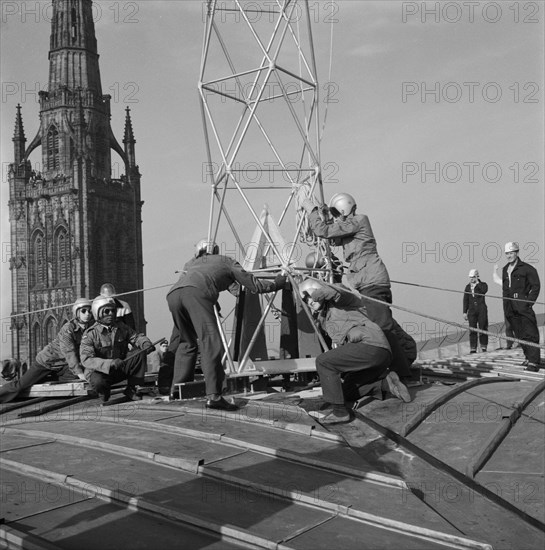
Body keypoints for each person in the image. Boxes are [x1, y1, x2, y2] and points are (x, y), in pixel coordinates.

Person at [166, 239, 287, 411]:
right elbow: (254, 285)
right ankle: (214, 396)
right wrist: (277, 283)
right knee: (211, 342)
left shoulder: (191, 263)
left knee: (186, 342)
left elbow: (229, 287)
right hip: (196, 295)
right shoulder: (227, 261)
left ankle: (175, 391)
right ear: (215, 250)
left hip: (173, 295)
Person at [301, 192, 412, 378]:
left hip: (372, 281)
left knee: (383, 328)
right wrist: (324, 216)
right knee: (382, 325)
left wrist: (311, 210)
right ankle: (398, 367)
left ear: (344, 208)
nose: (336, 219)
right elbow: (333, 237)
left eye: (337, 214)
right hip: (367, 281)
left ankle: (402, 374)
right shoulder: (350, 227)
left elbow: (325, 232)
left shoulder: (359, 220)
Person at [298, 279, 412, 425]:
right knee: (345, 391)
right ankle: (387, 384)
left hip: (371, 345)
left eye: (310, 296)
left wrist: (316, 294)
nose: (310, 301)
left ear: (318, 290)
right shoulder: (324, 318)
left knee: (323, 362)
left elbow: (337, 292)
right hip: (372, 356)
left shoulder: (343, 300)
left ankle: (340, 413)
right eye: (306, 300)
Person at [0, 298, 93, 403]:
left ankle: (43, 379)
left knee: (74, 376)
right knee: (21, 386)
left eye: (89, 311)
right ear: (77, 312)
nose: (87, 314)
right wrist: (81, 374)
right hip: (46, 361)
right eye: (83, 311)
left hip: (62, 365)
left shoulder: (89, 328)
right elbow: (69, 352)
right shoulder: (68, 329)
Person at [80, 296, 154, 403]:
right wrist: (110, 363)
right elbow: (86, 359)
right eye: (106, 311)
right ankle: (104, 394)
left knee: (139, 353)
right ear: (97, 312)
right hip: (100, 372)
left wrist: (145, 343)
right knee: (98, 382)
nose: (110, 313)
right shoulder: (90, 334)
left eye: (113, 310)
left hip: (120, 367)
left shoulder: (121, 327)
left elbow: (135, 337)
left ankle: (133, 389)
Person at [500, 242, 541, 371]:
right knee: (520, 334)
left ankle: (534, 362)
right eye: (507, 253)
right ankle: (528, 358)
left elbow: (536, 286)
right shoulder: (505, 269)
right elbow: (505, 290)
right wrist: (506, 308)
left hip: (523, 307)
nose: (509, 256)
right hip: (510, 308)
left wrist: (528, 303)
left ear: (517, 253)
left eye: (511, 253)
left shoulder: (527, 268)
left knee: (530, 333)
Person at [463, 269, 489, 353]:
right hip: (472, 310)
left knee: (483, 327)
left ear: (477, 276)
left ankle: (483, 346)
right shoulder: (467, 287)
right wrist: (464, 312)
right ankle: (473, 348)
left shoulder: (483, 285)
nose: (471, 279)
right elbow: (465, 299)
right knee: (472, 329)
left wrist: (477, 283)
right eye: (470, 277)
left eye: (473, 277)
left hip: (481, 309)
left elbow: (484, 290)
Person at [493, 264, 516, 350]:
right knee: (508, 325)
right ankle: (510, 343)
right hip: (507, 307)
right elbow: (496, 279)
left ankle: (521, 343)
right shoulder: (505, 283)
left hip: (517, 306)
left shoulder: (517, 282)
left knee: (518, 324)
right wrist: (495, 270)